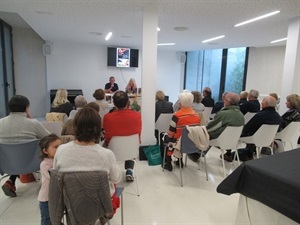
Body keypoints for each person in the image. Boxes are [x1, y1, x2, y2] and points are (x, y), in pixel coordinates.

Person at [53, 107, 122, 222]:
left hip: (71, 201)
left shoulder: (61, 150)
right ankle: (104, 216)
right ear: (99, 129)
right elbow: (116, 179)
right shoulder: (106, 154)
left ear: (75, 127)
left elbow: (56, 176)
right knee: (112, 183)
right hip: (100, 202)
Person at [0, 95, 50, 197]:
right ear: (27, 108)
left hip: (7, 165)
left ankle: (10, 181)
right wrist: (31, 119)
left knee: (16, 154)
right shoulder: (33, 123)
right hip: (32, 163)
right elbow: (50, 138)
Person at [188, 92, 245, 162]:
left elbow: (212, 127)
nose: (224, 101)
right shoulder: (241, 115)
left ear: (228, 102)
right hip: (233, 141)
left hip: (220, 140)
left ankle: (196, 153)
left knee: (204, 132)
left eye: (225, 99)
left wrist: (202, 130)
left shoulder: (223, 114)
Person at [102, 91, 142, 181]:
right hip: (133, 149)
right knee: (129, 141)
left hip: (113, 150)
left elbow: (106, 137)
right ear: (128, 102)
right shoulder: (137, 115)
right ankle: (129, 170)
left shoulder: (108, 117)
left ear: (114, 103)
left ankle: (110, 172)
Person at [232, 96, 282, 161]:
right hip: (268, 139)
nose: (261, 103)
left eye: (263, 101)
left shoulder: (260, 115)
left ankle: (231, 154)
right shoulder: (278, 117)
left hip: (254, 138)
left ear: (266, 104)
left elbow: (247, 128)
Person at [163, 90, 200, 171]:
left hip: (178, 142)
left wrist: (166, 136)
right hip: (191, 142)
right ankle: (179, 161)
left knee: (167, 139)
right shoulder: (196, 115)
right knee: (182, 137)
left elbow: (171, 133)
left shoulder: (176, 116)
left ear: (180, 103)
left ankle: (168, 163)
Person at [38, 134, 62, 225]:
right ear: (45, 150)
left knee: (56, 219)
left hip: (56, 197)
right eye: (56, 147)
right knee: (47, 220)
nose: (59, 149)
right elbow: (55, 178)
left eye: (61, 146)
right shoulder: (44, 164)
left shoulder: (60, 159)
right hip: (46, 199)